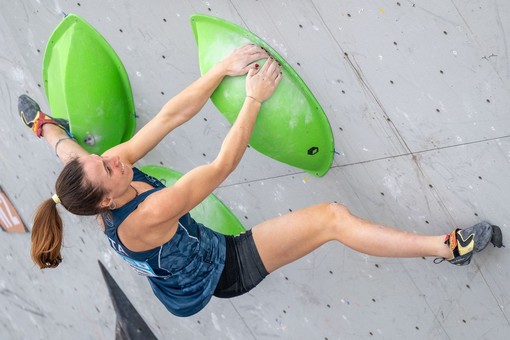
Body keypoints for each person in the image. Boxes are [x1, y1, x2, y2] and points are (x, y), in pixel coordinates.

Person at [21, 44, 503, 318]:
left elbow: (165, 118)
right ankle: (445, 249)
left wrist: (43, 125)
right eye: (106, 167)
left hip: (178, 253)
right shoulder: (145, 212)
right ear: (106, 199)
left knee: (66, 141)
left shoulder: (97, 174)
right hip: (218, 270)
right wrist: (252, 97)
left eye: (103, 158)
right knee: (331, 219)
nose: (112, 158)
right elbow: (220, 167)